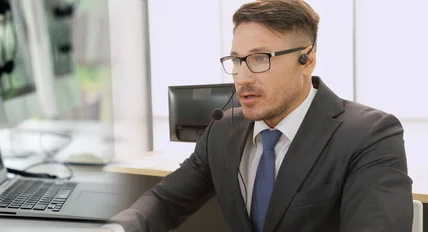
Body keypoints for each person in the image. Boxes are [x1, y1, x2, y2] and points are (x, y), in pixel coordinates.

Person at [101, 0, 414, 231]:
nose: (242, 78)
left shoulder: (369, 135)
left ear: (307, 60)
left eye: (260, 59)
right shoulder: (223, 130)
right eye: (236, 60)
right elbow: (166, 201)